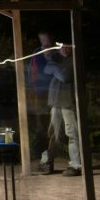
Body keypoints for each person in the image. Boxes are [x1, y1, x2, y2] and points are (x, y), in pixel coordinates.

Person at [40, 43, 82, 176]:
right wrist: (57, 69)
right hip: (55, 101)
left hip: (68, 102)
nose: (64, 49)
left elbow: (66, 77)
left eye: (68, 46)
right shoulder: (56, 58)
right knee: (53, 133)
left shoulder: (74, 60)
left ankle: (76, 165)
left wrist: (55, 69)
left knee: (72, 132)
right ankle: (48, 161)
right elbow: (46, 70)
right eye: (62, 46)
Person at [28, 31, 56, 168]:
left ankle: (48, 158)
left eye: (46, 39)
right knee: (41, 125)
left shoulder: (56, 52)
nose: (44, 42)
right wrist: (32, 89)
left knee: (53, 126)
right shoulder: (37, 52)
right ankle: (41, 156)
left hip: (54, 92)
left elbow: (53, 70)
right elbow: (31, 72)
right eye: (42, 39)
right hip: (39, 93)